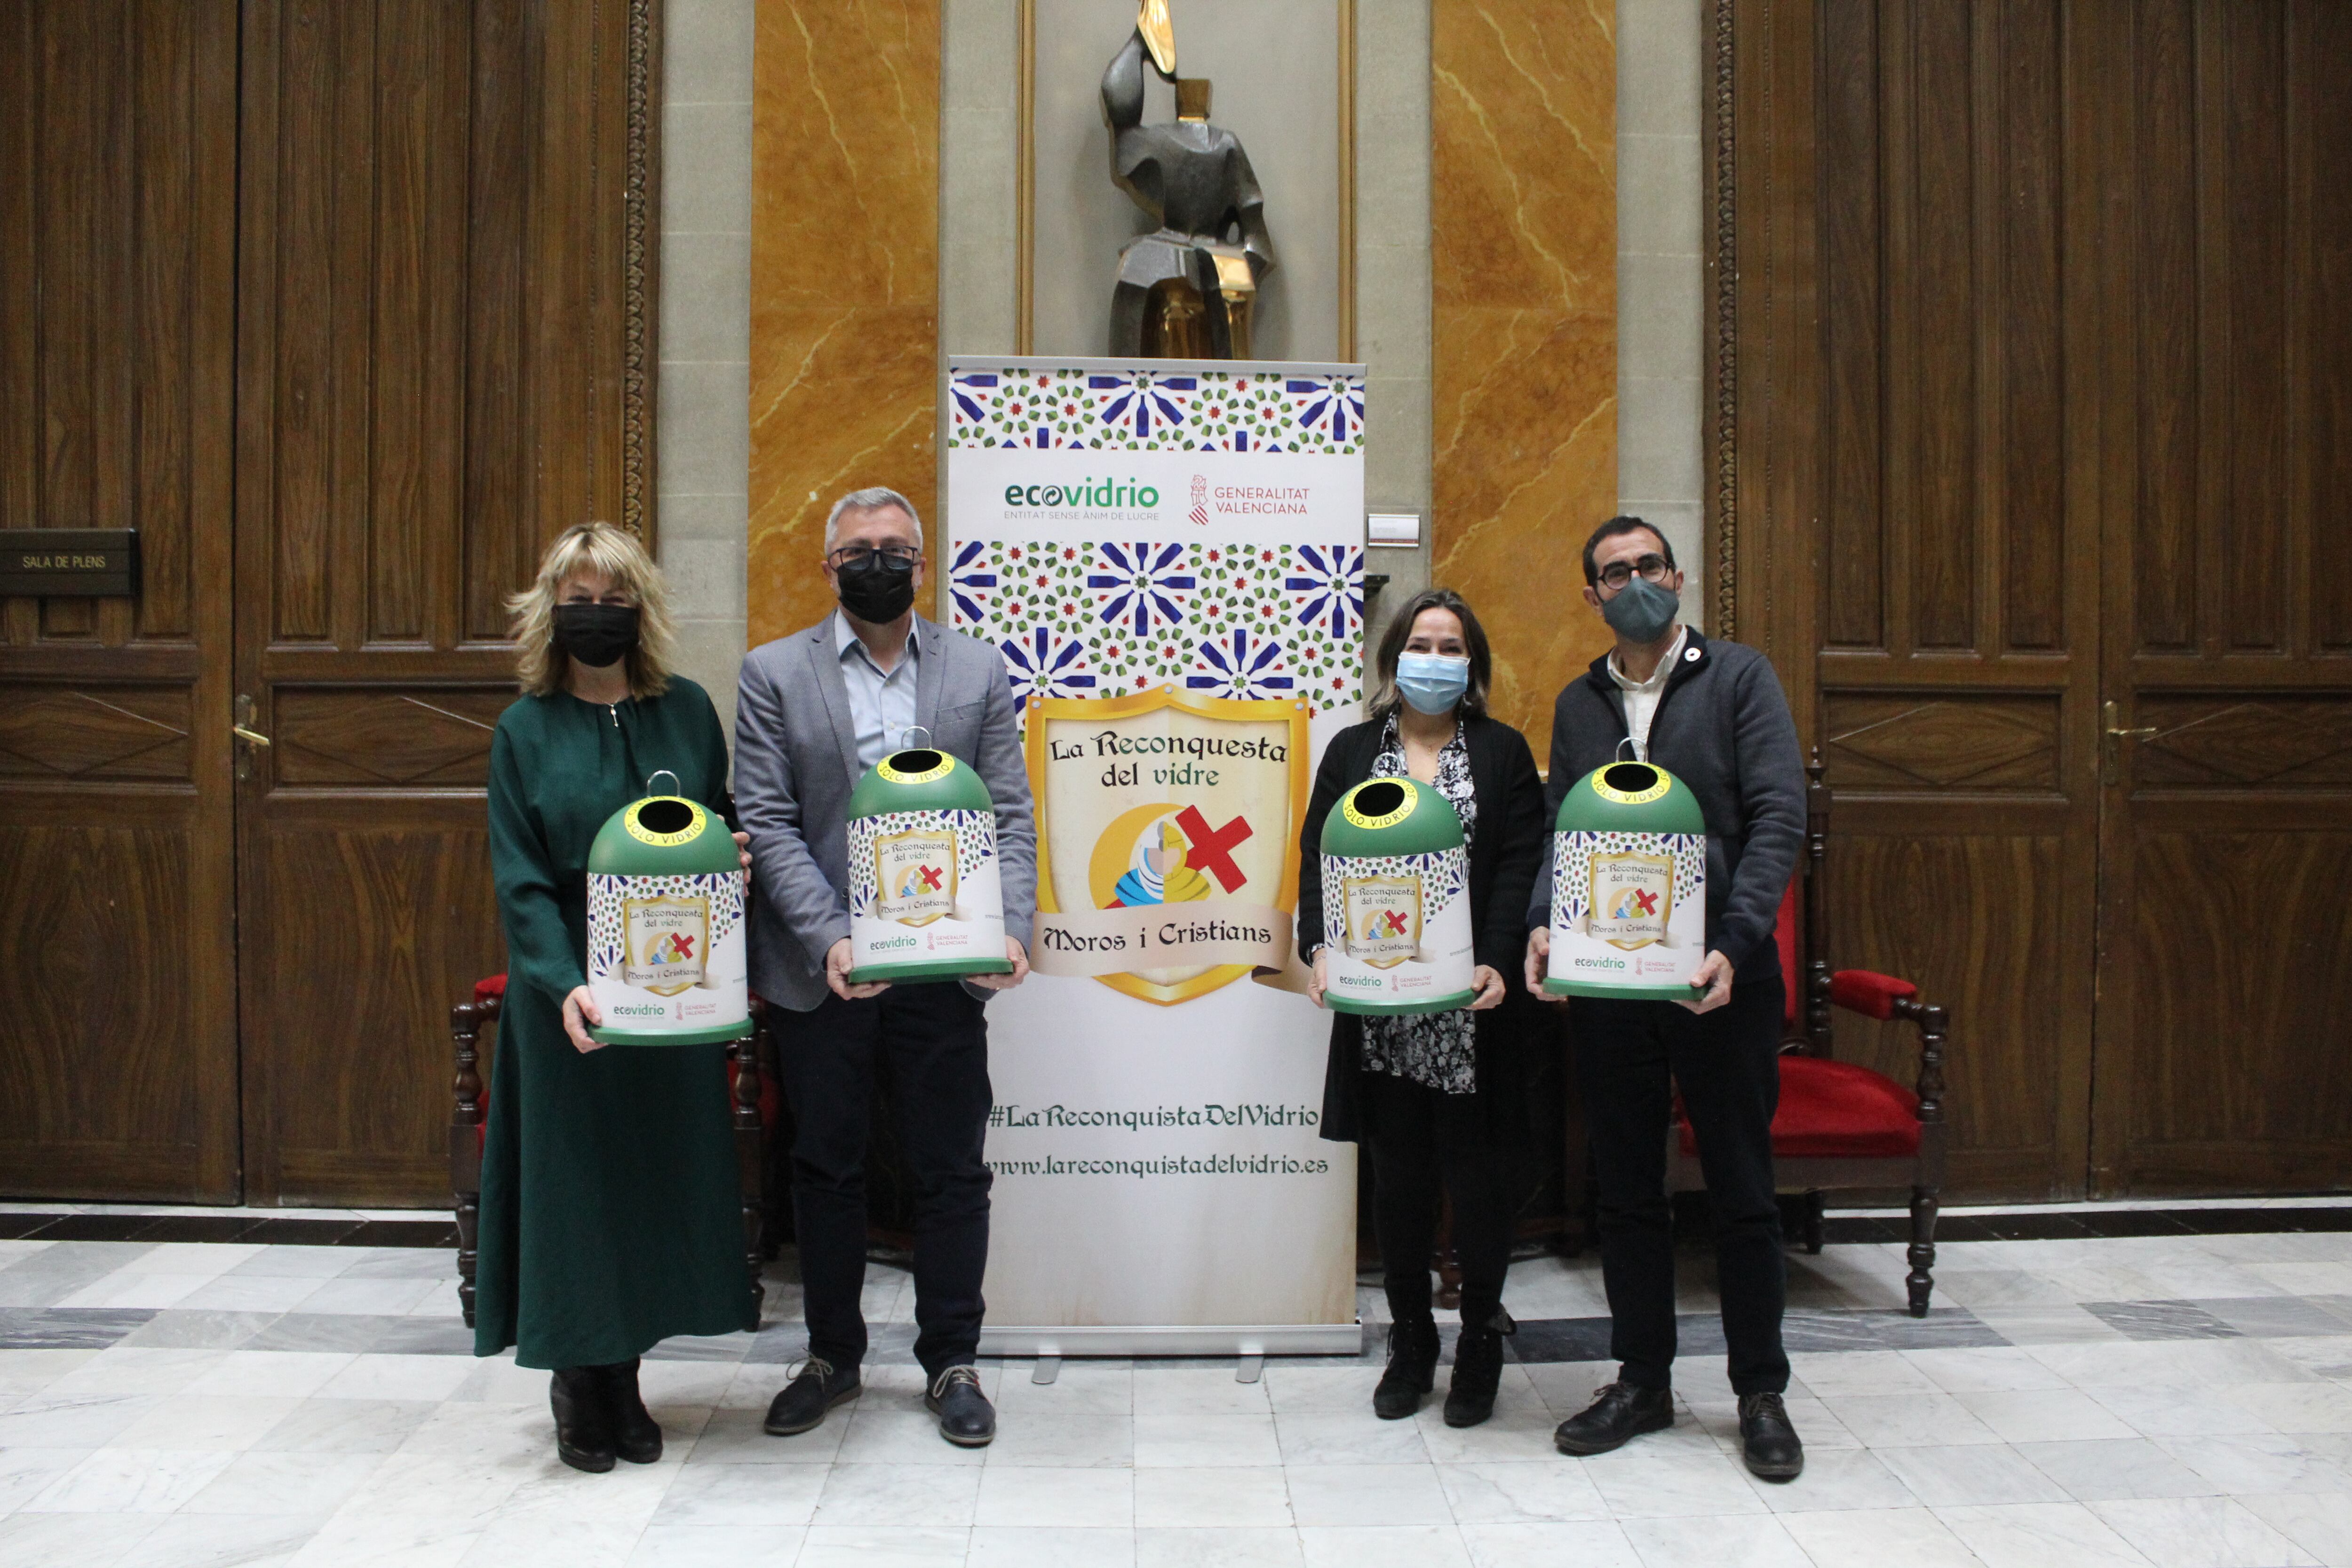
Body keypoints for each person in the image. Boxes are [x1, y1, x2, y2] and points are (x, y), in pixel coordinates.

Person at [735, 486, 1036, 1448]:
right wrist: (830, 937)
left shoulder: (977, 669)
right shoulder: (771, 674)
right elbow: (769, 819)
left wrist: (1010, 928)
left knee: (951, 1169)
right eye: (860, 548)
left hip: (944, 968)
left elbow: (1008, 813)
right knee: (826, 1168)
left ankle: (953, 1357)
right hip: (823, 968)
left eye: (897, 548)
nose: (879, 560)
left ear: (923, 563)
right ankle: (832, 1356)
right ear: (828, 567)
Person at [1524, 516, 1807, 1480]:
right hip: (1610, 981)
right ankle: (1641, 1379)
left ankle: (1759, 1391)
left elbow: (1777, 816)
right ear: (1593, 594)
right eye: (1614, 571)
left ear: (1676, 576)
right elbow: (1562, 825)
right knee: (1627, 1188)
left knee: (1739, 1186)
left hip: (1717, 977)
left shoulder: (1738, 677)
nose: (1635, 580)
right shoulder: (1577, 701)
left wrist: (1736, 944)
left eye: (1648, 564)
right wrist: (1540, 925)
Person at [476, 521, 755, 1474]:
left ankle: (626, 1373)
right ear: (550, 611)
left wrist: (736, 862)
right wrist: (564, 984)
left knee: (649, 1181)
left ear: (642, 609)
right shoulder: (522, 727)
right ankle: (576, 1380)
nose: (597, 613)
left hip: (672, 993)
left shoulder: (686, 710)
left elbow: (715, 831)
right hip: (570, 999)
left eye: (614, 597)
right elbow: (519, 880)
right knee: (575, 1192)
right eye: (579, 598)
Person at [1298, 589, 1548, 1428]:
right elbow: (1315, 858)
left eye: (1450, 645)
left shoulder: (1504, 752)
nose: (1434, 658)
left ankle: (1479, 1338)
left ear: (1471, 664)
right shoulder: (1351, 750)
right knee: (1399, 1181)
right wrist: (1319, 948)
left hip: (1475, 1009)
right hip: (1381, 1011)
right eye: (1420, 642)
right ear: (1393, 659)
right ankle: (1412, 1341)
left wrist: (1497, 958)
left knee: (1480, 1184)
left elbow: (1519, 866)